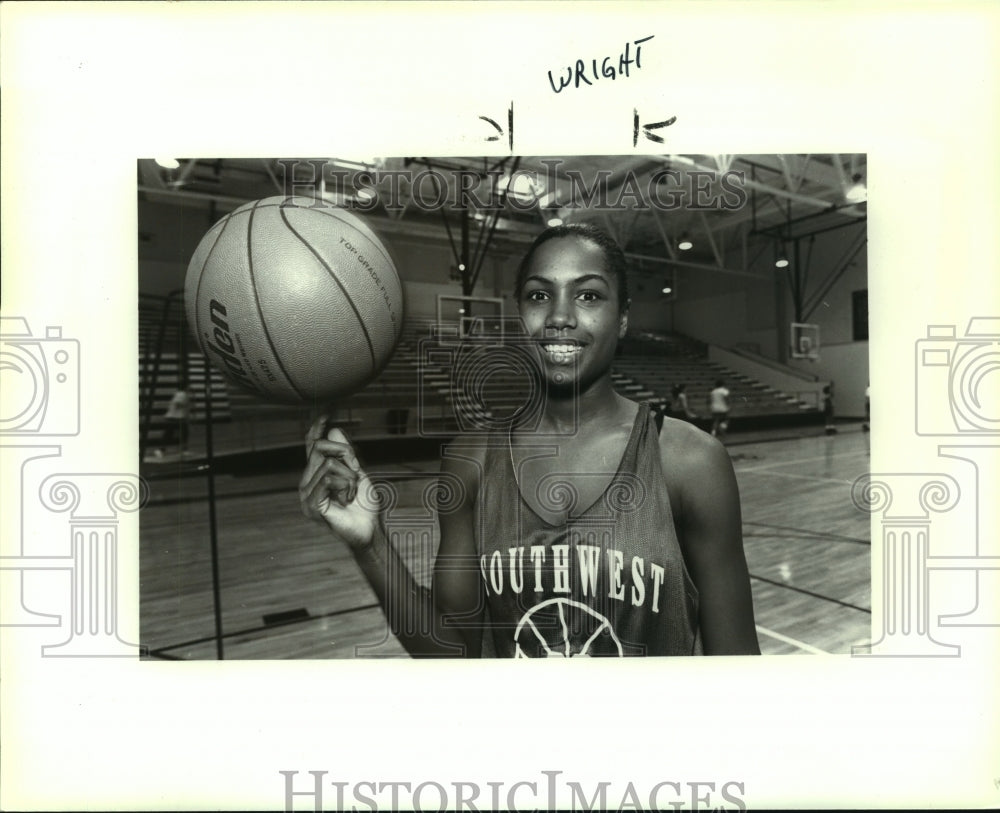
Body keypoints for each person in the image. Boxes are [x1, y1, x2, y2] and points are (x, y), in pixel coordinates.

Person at [300, 223, 759, 657]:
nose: (560, 316)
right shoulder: (470, 460)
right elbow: (456, 652)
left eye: (588, 295)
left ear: (621, 319)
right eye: (540, 295)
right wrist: (370, 543)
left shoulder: (690, 461)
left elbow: (737, 667)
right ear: (520, 313)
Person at [156, 382, 190, 457]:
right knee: (183, 433)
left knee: (169, 434)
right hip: (177, 417)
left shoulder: (178, 394)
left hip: (173, 417)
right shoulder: (182, 394)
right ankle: (183, 450)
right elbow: (178, 404)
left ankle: (161, 450)